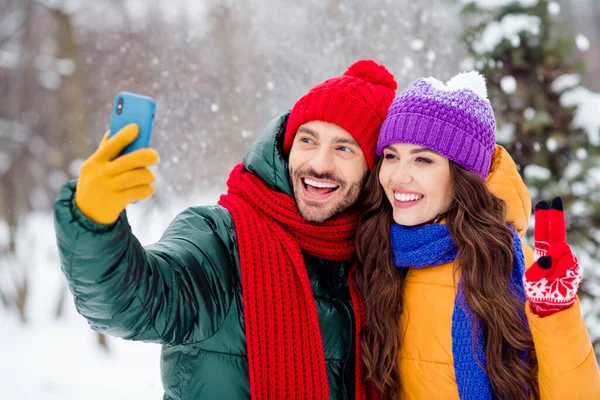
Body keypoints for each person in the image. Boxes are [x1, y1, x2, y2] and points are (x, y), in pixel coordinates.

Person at [53, 59, 397, 400]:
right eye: (308, 140)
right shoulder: (219, 237)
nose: (320, 163)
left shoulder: (383, 262)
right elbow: (129, 303)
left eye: (344, 148)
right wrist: (92, 221)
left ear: (372, 168)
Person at [354, 72, 600, 399]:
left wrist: (555, 314)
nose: (398, 176)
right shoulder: (379, 254)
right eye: (391, 156)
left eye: (423, 159)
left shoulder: (512, 265)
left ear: (463, 176)